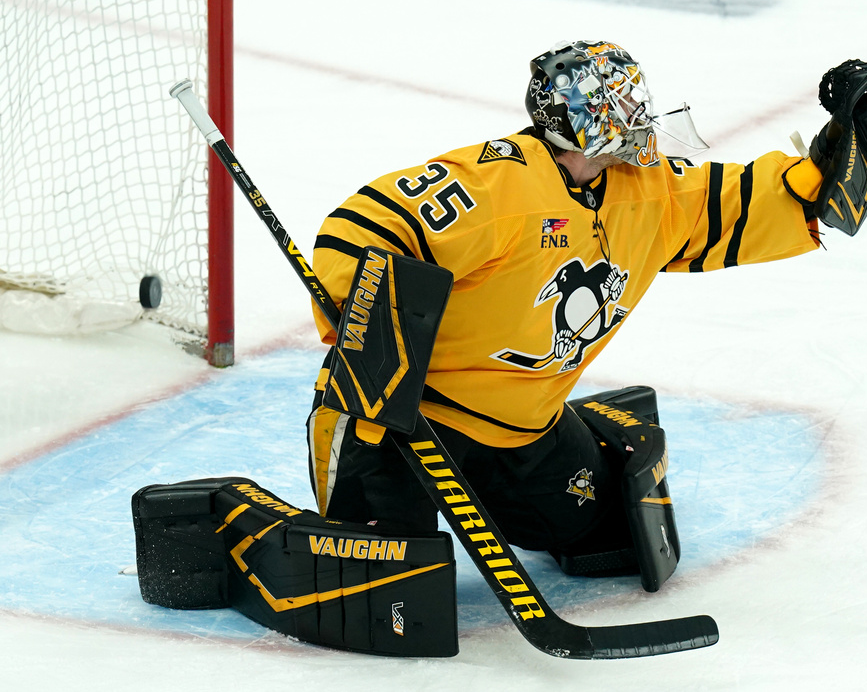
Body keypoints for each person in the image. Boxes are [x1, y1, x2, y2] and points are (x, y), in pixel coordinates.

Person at [305, 40, 824, 573]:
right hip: (405, 417)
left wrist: (821, 175)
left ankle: (581, 438)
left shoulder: (645, 188)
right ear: (578, 115)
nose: (639, 114)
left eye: (636, 99)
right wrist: (363, 315)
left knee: (608, 539)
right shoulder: (497, 183)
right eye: (621, 102)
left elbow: (731, 200)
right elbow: (362, 228)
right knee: (385, 585)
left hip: (525, 424)